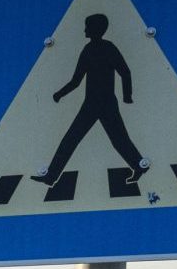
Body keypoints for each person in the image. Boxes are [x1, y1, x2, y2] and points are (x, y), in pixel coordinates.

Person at [32, 12, 148, 188]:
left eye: (88, 26)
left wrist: (127, 96)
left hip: (104, 103)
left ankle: (139, 166)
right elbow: (77, 80)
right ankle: (51, 176)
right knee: (75, 139)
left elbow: (125, 71)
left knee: (115, 139)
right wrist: (60, 94)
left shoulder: (106, 48)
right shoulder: (90, 49)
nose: (85, 30)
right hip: (93, 104)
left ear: (96, 29)